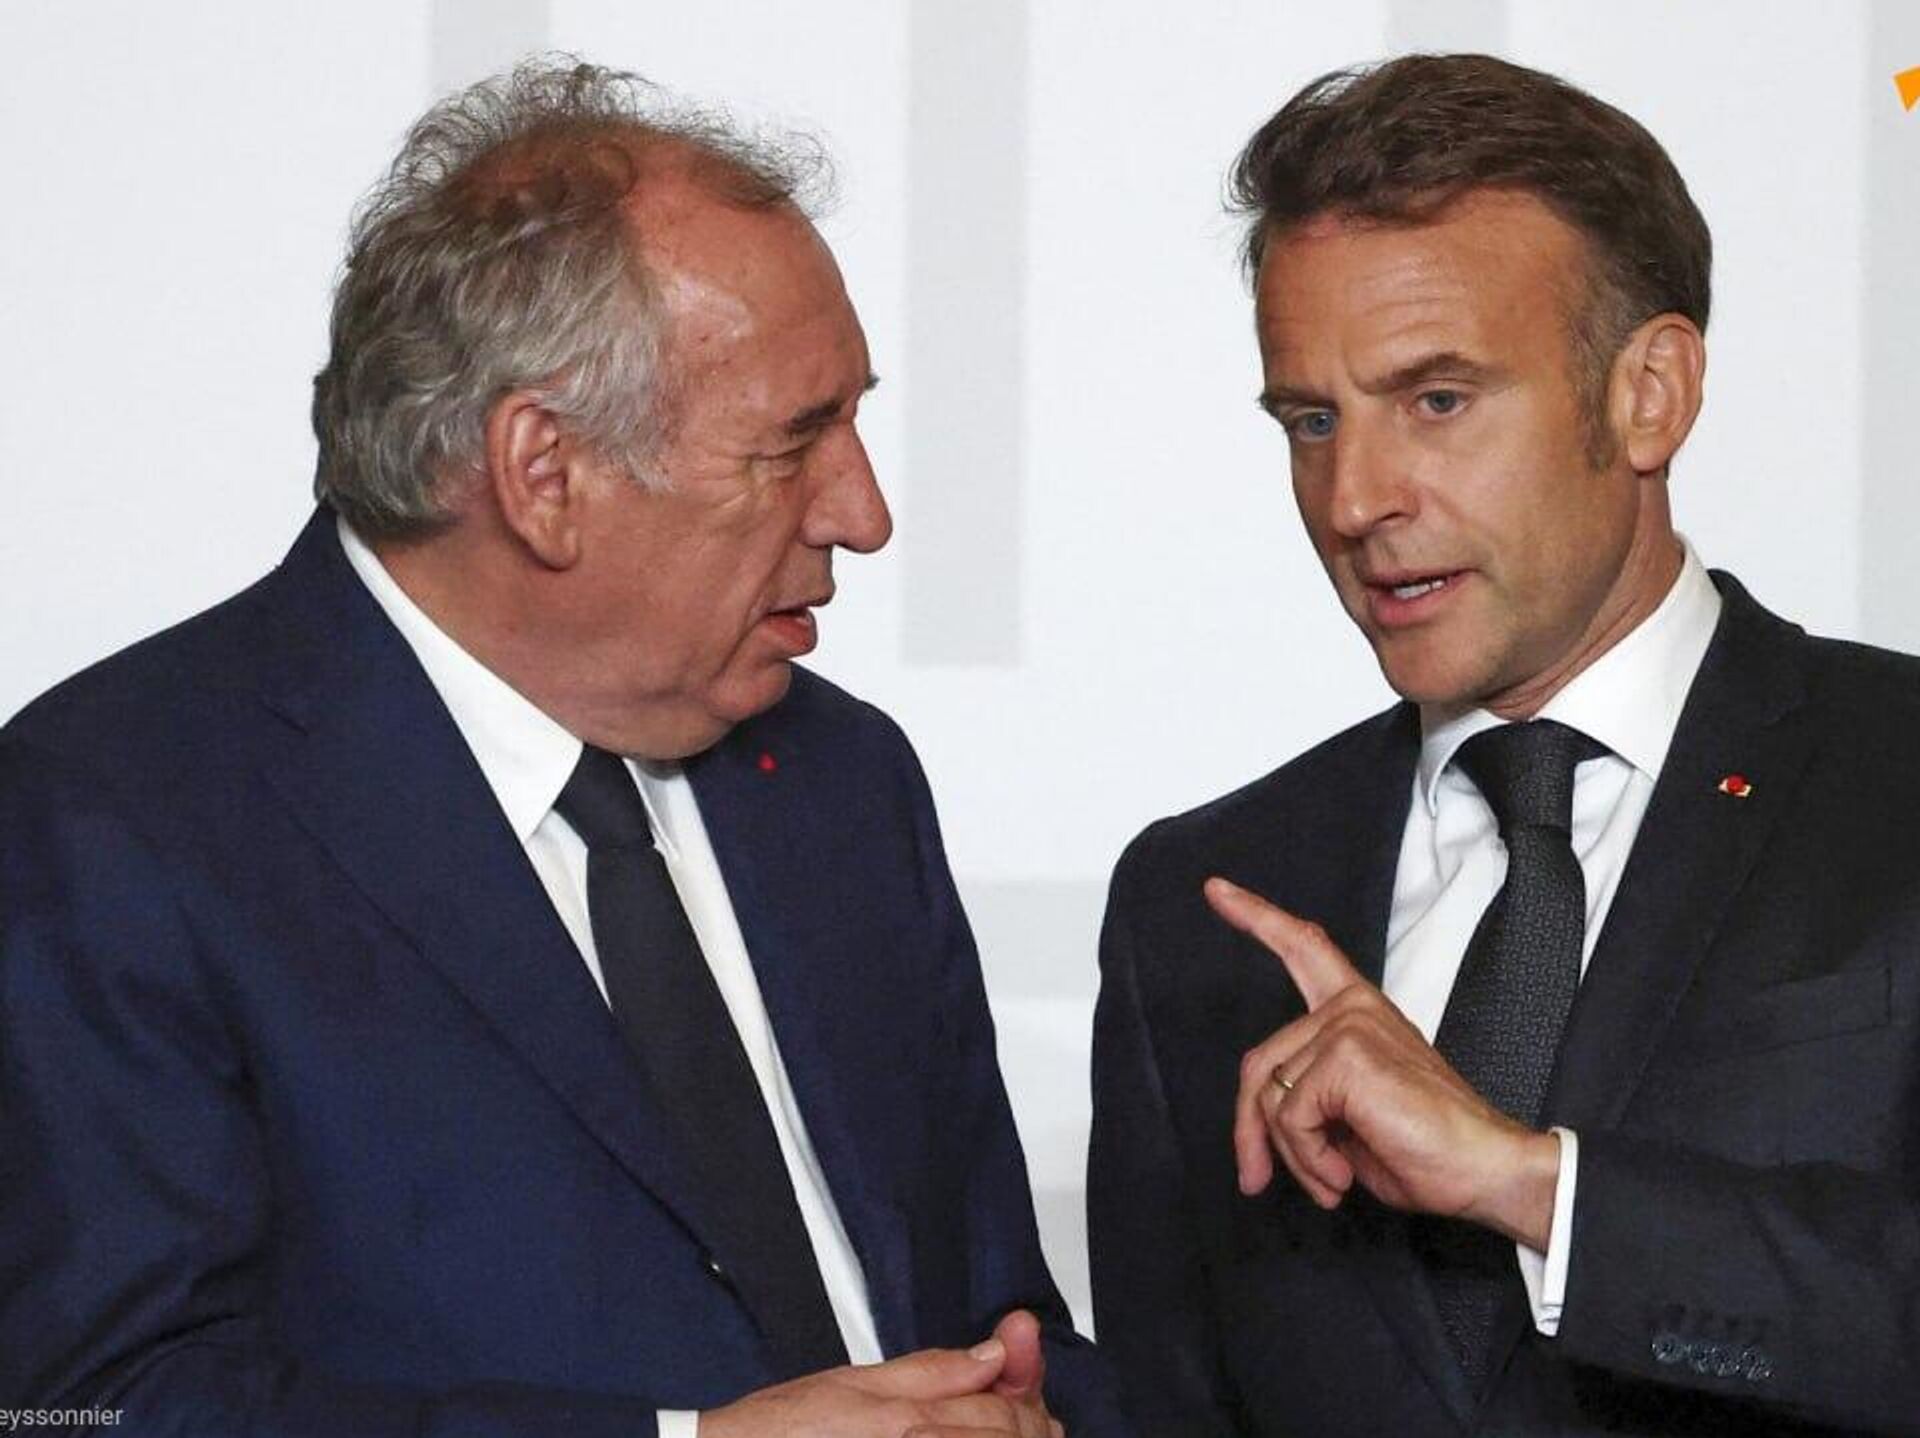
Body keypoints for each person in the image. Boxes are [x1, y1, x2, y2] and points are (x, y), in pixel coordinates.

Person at [0, 59, 1124, 1438]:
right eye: (794, 442)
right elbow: (90, 1406)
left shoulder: (845, 784)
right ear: (544, 474)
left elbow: (1003, 1336)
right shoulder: (113, 821)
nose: (865, 512)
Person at [1088, 52, 1920, 1437]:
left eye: (1438, 400)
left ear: (1649, 393)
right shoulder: (1203, 903)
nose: (1354, 499)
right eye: (1312, 420)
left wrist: (1538, 1189)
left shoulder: (1893, 776)